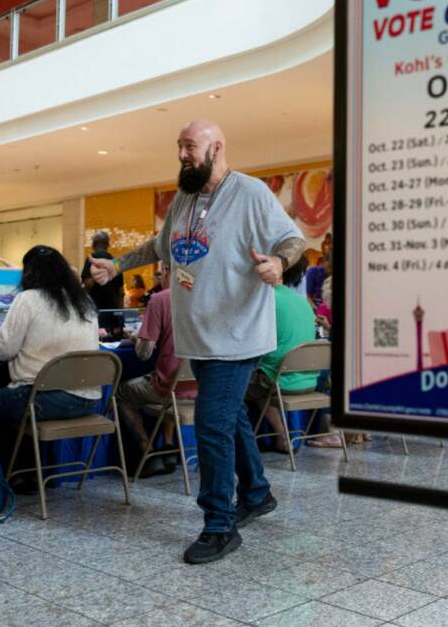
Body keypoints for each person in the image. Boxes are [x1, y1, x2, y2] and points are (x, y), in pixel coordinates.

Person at [89, 120, 307, 564]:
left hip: (237, 335)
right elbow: (160, 245)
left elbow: (293, 238)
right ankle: (258, 492)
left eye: (190, 146)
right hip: (198, 337)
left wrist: (278, 264)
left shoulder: (250, 192)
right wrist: (118, 266)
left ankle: (219, 525)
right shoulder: (185, 199)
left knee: (210, 426)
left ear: (216, 147)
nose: (182, 154)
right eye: (179, 146)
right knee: (231, 421)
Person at [0, 245, 101, 463]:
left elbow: (4, 350)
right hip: (90, 399)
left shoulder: (28, 299)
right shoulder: (84, 301)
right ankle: (26, 474)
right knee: (12, 402)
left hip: (45, 398)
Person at [244, 259, 340, 449]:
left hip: (280, 383)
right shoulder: (303, 303)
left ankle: (281, 434)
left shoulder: (265, 300)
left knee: (245, 384)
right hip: (309, 382)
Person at [117, 264, 195, 477]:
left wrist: (136, 338)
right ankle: (168, 446)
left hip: (168, 389)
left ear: (169, 272)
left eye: (160, 273)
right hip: (204, 386)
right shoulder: (210, 296)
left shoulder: (160, 299)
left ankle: (148, 451)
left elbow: (143, 353)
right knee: (170, 380)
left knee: (122, 393)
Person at [81, 231, 123, 310]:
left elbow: (88, 284)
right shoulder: (116, 262)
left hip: (95, 309)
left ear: (93, 244)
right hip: (112, 309)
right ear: (108, 245)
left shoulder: (91, 259)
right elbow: (121, 291)